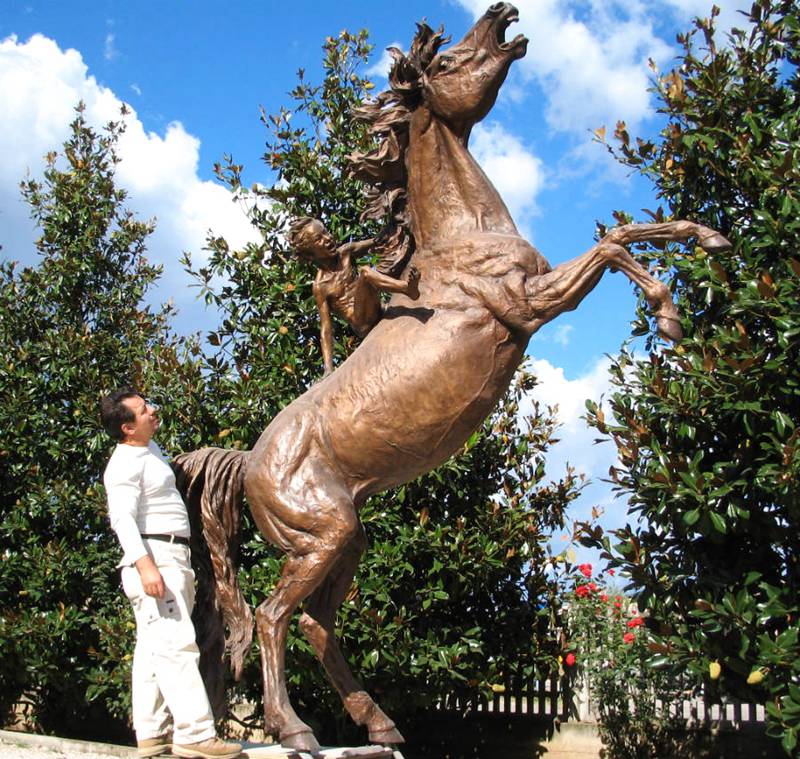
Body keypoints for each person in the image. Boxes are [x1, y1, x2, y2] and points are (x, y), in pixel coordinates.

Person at [100, 388, 242, 759]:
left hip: (170, 556)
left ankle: (151, 734)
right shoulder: (124, 464)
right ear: (127, 428)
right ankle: (195, 733)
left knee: (152, 650)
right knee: (178, 646)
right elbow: (122, 519)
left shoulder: (150, 453)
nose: (153, 411)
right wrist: (145, 566)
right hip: (155, 557)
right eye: (144, 410)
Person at [288, 216, 420, 375]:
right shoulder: (320, 286)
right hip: (361, 323)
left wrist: (398, 226)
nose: (328, 238)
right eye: (319, 239)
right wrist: (328, 368)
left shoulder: (345, 253)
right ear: (310, 255)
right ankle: (406, 288)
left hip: (377, 307)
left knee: (366, 275)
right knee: (365, 273)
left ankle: (403, 288)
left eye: (326, 232)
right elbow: (326, 328)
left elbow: (377, 241)